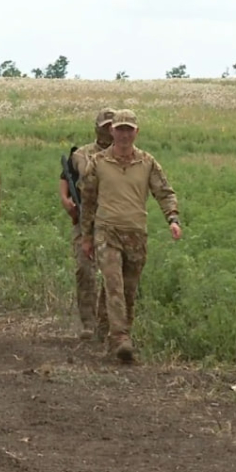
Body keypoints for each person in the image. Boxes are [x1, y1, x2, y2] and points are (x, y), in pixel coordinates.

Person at [79, 109, 181, 363]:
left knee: (128, 291)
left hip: (136, 233)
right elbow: (88, 201)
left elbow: (164, 192)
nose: (124, 134)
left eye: (129, 129)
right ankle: (121, 338)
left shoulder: (147, 162)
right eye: (119, 129)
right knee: (114, 284)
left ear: (136, 132)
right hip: (107, 231)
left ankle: (107, 333)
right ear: (111, 131)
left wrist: (173, 219)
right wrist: (87, 236)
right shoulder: (99, 162)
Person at [59, 109, 114, 340]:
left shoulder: (123, 155)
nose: (107, 131)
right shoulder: (80, 155)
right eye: (104, 126)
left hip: (112, 218)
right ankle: (88, 324)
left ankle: (107, 324)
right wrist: (66, 201)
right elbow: (66, 178)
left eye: (112, 126)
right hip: (85, 219)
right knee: (85, 270)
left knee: (112, 273)